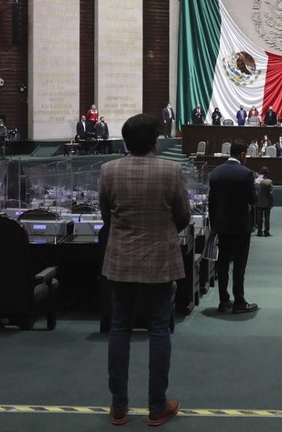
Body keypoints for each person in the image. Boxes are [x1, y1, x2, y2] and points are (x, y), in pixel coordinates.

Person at [99, 113, 190, 427]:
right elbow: (183, 216)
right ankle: (157, 406)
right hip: (159, 260)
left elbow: (106, 216)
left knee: (119, 329)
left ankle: (118, 406)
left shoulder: (108, 170)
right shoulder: (171, 170)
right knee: (159, 330)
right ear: (155, 142)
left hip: (121, 259)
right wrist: (162, 230)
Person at [207, 140, 259, 314]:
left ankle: (223, 301)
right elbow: (253, 199)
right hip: (240, 226)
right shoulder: (246, 173)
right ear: (242, 154)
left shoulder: (215, 172)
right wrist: (256, 188)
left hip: (221, 225)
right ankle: (239, 302)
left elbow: (211, 202)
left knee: (222, 264)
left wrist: (214, 225)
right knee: (239, 265)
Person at [254, 166, 274, 237]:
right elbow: (271, 194)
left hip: (258, 202)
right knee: (267, 218)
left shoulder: (256, 181)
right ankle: (266, 232)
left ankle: (259, 232)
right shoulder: (269, 182)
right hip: (267, 202)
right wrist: (272, 202)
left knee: (259, 218)